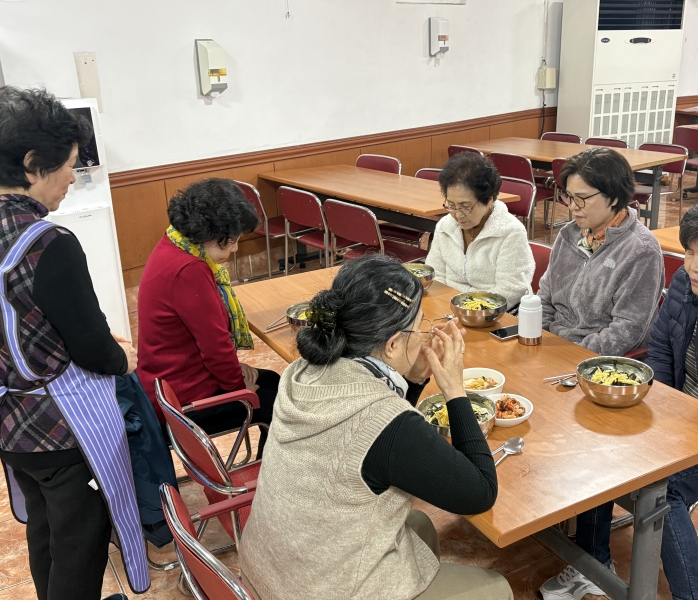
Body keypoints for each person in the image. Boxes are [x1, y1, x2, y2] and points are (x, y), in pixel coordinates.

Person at [539, 196, 698, 600]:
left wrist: (688, 426)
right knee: (598, 438)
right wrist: (663, 408)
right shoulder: (686, 286)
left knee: (664, 488)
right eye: (690, 252)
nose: (693, 266)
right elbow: (660, 348)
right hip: (687, 421)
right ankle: (594, 563)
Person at [239, 255, 512, 600]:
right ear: (393, 344)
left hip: (269, 569)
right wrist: (456, 390)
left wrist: (414, 379)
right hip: (317, 590)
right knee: (497, 588)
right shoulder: (385, 421)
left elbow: (378, 438)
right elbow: (480, 493)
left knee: (419, 526)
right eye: (421, 326)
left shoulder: (302, 371)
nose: (425, 335)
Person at [0, 87, 147, 599]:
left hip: (11, 425)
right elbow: (92, 349)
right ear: (31, 165)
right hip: (62, 432)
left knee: (44, 533)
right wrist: (121, 356)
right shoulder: (48, 245)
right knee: (80, 547)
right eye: (66, 166)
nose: (72, 177)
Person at [137, 178, 280, 457]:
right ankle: (271, 475)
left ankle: (266, 466)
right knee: (279, 405)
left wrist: (235, 371)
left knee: (272, 380)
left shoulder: (173, 243)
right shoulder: (190, 270)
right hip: (182, 402)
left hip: (165, 383)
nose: (235, 248)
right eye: (232, 240)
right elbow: (216, 347)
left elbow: (210, 345)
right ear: (212, 233)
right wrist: (239, 389)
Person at [537, 147, 664, 356]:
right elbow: (544, 297)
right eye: (569, 196)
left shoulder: (641, 250)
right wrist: (540, 337)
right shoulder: (569, 234)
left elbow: (627, 330)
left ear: (613, 197)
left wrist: (571, 354)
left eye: (581, 198)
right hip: (551, 345)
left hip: (595, 359)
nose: (572, 206)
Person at [425, 152, 534, 309]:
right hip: (448, 306)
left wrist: (469, 309)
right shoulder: (445, 226)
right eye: (451, 205)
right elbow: (436, 275)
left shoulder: (511, 232)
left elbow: (511, 289)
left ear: (488, 200)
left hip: (491, 313)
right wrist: (443, 305)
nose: (457, 215)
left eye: (465, 207)